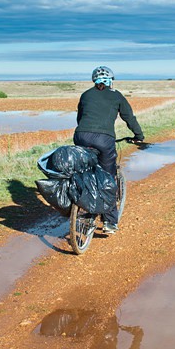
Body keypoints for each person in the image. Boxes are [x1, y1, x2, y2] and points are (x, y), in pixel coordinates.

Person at [74, 65, 145, 234]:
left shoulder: (86, 94)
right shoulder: (116, 96)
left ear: (94, 81)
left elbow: (80, 117)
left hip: (81, 136)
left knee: (84, 172)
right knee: (108, 178)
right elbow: (129, 117)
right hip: (104, 139)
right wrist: (138, 135)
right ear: (111, 81)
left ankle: (82, 207)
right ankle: (110, 222)